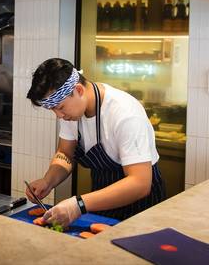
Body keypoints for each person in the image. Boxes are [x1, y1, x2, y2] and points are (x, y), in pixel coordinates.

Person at [25, 58, 165, 226]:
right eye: (53, 110)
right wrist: (48, 181)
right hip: (102, 200)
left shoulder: (125, 113)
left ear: (78, 90)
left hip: (139, 206)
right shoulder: (71, 113)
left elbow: (140, 183)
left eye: (60, 107)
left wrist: (78, 204)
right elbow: (65, 153)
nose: (59, 116)